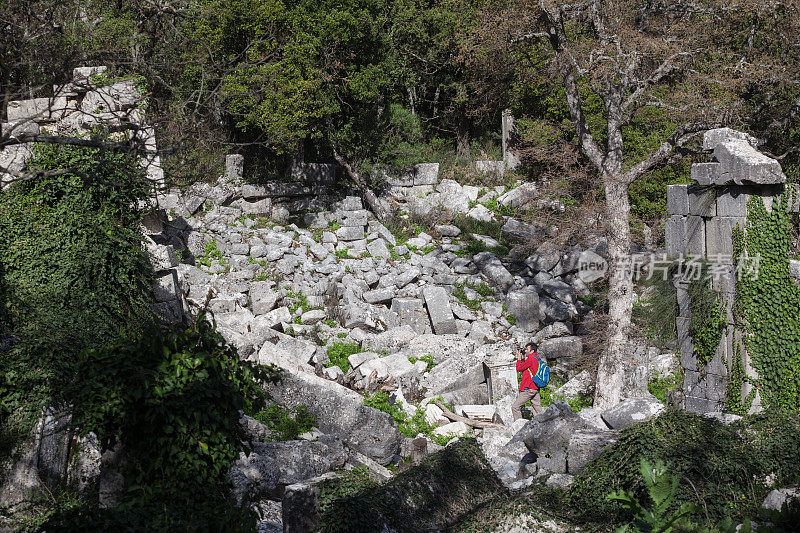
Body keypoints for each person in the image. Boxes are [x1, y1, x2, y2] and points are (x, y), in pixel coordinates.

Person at [512, 341, 543, 421]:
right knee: (537, 410)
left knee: (515, 407)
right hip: (535, 388)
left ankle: (519, 427)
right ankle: (542, 425)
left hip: (529, 389)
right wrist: (523, 359)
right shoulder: (536, 358)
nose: (525, 350)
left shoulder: (531, 359)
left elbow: (519, 368)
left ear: (532, 351)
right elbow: (527, 368)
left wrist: (518, 359)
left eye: (527, 349)